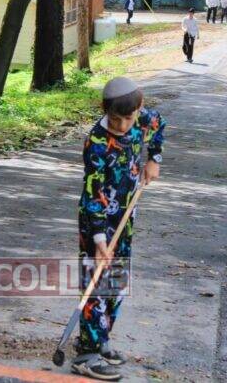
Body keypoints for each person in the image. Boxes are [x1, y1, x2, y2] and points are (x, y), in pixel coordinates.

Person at [73, 77, 166, 381]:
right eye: (116, 119)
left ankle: (100, 339)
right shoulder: (97, 143)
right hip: (96, 222)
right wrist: (99, 239)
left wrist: (154, 159)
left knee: (116, 283)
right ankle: (86, 354)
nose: (123, 126)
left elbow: (159, 125)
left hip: (126, 215)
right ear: (105, 110)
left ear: (139, 109)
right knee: (96, 282)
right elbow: (93, 194)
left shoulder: (142, 119)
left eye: (129, 118)